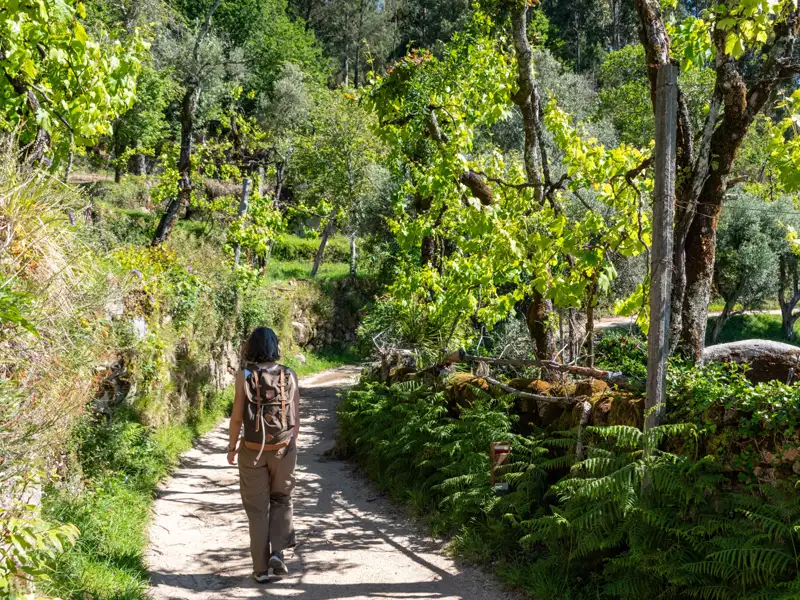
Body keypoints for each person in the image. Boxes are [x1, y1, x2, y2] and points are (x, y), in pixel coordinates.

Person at [227, 327, 300, 584]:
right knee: (281, 498)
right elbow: (295, 419)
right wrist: (288, 448)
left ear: (251, 347)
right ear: (275, 346)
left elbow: (237, 418)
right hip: (283, 449)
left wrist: (231, 447)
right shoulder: (289, 374)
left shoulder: (244, 375)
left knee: (258, 510)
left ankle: (260, 570)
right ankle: (278, 553)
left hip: (253, 451)